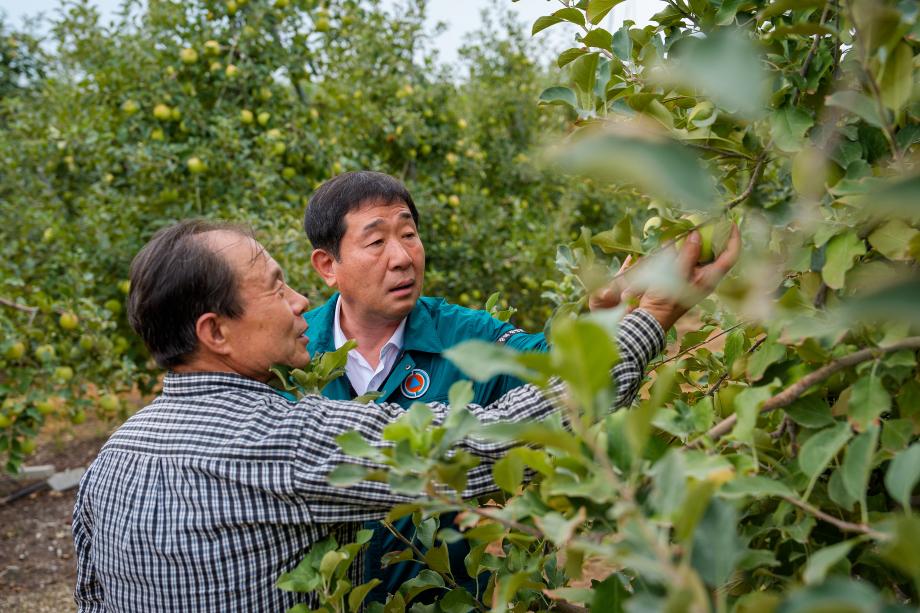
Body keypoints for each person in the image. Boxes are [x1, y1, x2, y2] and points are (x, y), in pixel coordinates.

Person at [72, 219, 715, 612]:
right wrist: (650, 321)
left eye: (407, 234)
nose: (299, 300)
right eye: (274, 287)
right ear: (215, 332)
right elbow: (490, 444)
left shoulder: (113, 457)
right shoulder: (280, 441)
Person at [301, 171, 741, 601]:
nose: (401, 257)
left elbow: (553, 368)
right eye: (376, 242)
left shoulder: (464, 336)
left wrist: (602, 318)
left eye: (409, 235)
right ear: (327, 266)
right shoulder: (293, 356)